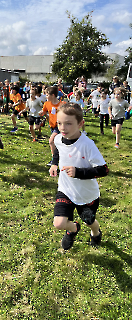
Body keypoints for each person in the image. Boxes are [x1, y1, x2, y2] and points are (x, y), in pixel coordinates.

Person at [49, 103, 109, 250]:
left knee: (89, 221)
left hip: (86, 194)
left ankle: (96, 233)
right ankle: (73, 228)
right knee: (59, 223)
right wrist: (54, 164)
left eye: (68, 124)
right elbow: (58, 150)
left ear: (80, 123)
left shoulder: (87, 145)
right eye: (60, 123)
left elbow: (104, 170)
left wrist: (79, 172)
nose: (63, 128)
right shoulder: (58, 138)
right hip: (66, 189)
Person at [39, 86, 65, 166]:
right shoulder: (47, 104)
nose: (46, 97)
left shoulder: (62, 104)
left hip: (60, 126)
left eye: (47, 95)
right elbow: (44, 111)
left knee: (51, 141)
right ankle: (62, 158)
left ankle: (54, 161)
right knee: (59, 143)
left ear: (53, 95)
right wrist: (41, 113)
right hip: (52, 126)